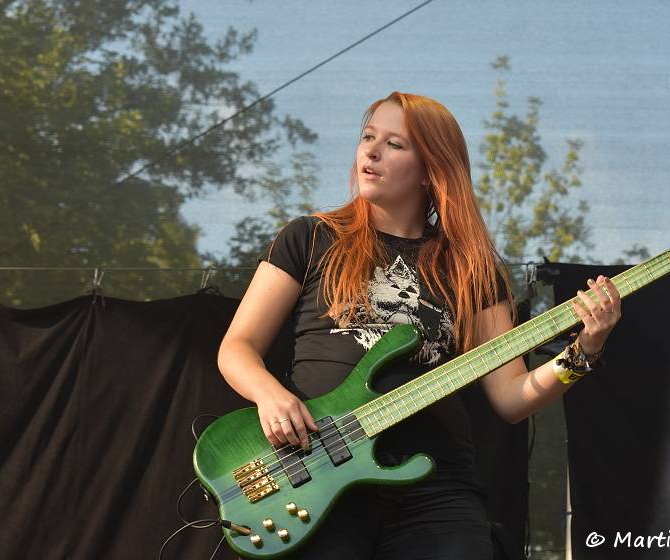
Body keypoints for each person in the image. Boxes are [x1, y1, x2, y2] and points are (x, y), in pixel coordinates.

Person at [217, 91, 621, 559]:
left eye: (395, 144)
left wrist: (584, 351)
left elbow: (512, 397)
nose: (371, 151)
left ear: (432, 168)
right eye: (368, 137)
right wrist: (271, 395)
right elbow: (237, 346)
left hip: (435, 484)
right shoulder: (309, 237)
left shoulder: (472, 269)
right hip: (317, 471)